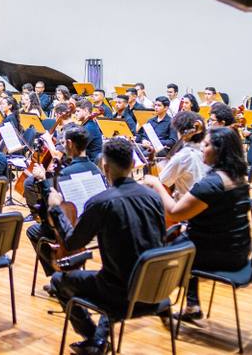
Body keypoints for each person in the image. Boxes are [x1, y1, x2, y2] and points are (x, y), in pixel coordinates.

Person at [48, 138, 166, 354]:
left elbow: (73, 243)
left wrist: (56, 209)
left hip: (122, 295)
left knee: (58, 280)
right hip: (158, 289)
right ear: (132, 164)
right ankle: (100, 338)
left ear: (105, 167)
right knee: (115, 271)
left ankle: (93, 338)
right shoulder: (153, 196)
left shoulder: (102, 202)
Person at [143, 126, 251, 321]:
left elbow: (174, 213)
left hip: (222, 254)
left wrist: (156, 184)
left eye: (207, 145)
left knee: (157, 257)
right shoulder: (238, 178)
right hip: (240, 248)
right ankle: (191, 306)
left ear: (220, 150)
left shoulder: (212, 184)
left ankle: (158, 303)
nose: (202, 148)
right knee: (186, 236)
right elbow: (221, 215)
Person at [27, 123, 103, 285]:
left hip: (73, 231)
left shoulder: (65, 173)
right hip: (97, 230)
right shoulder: (97, 170)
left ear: (70, 144)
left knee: (33, 230)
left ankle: (59, 276)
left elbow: (51, 210)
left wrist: (42, 180)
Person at [157, 111, 210, 200]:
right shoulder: (207, 151)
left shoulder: (182, 156)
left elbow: (161, 183)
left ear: (181, 133)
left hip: (187, 206)